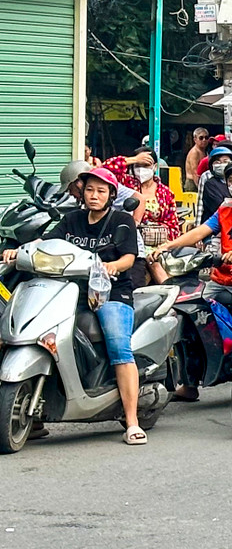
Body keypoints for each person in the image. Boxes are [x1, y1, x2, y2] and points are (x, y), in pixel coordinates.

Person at [4, 169, 148, 444]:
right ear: (82, 193)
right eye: (90, 190)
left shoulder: (122, 220)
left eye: (101, 191)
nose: (94, 196)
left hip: (112, 293)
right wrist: (19, 250)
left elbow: (129, 258)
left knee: (119, 348)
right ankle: (36, 414)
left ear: (111, 195)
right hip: (73, 291)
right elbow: (45, 241)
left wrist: (111, 267)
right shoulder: (72, 219)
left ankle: (131, 422)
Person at [151, 158, 232, 403]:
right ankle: (190, 383)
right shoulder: (225, 208)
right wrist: (168, 245)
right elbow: (200, 232)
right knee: (191, 318)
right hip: (221, 277)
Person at [102, 147, 180, 285]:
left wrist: (164, 244)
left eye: (146, 165)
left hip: (159, 243)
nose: (141, 169)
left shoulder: (165, 192)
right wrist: (132, 160)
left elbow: (173, 224)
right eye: (138, 166)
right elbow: (105, 169)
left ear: (155, 166)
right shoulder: (125, 184)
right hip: (131, 240)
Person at [198, 146, 232, 224]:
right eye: (217, 162)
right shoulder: (210, 184)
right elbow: (221, 208)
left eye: (225, 161)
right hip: (215, 227)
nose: (222, 165)